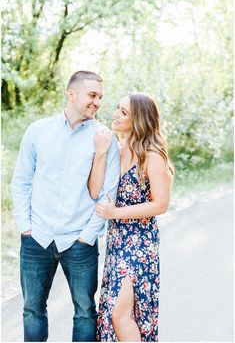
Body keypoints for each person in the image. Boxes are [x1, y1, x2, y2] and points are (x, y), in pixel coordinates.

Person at [11, 70, 120, 342]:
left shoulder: (105, 139)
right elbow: (21, 181)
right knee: (32, 309)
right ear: (71, 93)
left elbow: (108, 195)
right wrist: (25, 227)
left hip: (79, 242)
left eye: (101, 97)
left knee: (85, 311)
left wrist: (87, 237)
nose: (97, 102)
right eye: (92, 95)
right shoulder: (38, 131)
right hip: (38, 238)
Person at [88, 93, 174, 342]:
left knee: (120, 313)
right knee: (116, 313)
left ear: (139, 119)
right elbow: (96, 190)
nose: (115, 114)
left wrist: (115, 213)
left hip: (140, 243)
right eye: (117, 108)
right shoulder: (118, 147)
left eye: (124, 112)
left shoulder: (152, 154)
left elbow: (161, 204)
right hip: (117, 241)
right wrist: (101, 153)